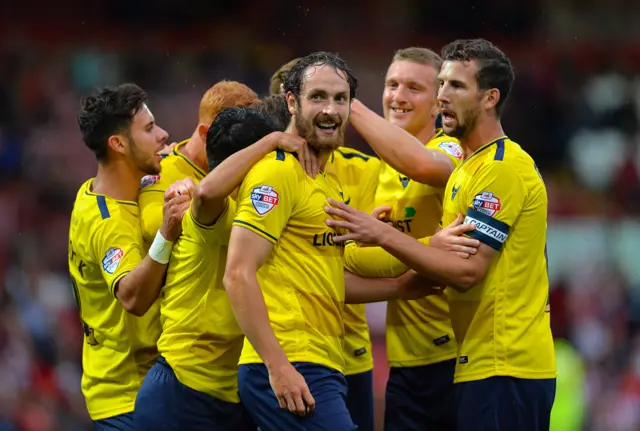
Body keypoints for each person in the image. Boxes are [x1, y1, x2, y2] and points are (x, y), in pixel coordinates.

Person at [326, 39, 557, 431]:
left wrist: (383, 235)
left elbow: (464, 270)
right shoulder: (465, 170)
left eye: (454, 87)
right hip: (463, 362)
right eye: (443, 85)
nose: (443, 96)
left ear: (489, 98)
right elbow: (439, 261)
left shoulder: (483, 164)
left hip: (498, 361)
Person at [134, 107, 316, 430]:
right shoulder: (210, 213)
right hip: (182, 392)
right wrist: (271, 141)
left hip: (227, 396)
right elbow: (205, 194)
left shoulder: (260, 222)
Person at [347, 47, 464, 431]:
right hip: (404, 366)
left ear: (437, 105)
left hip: (457, 360)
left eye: (414, 88)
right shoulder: (377, 171)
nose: (397, 96)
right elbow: (351, 259)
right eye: (392, 84)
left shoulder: (449, 148)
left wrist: (348, 103)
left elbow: (425, 166)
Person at [267, 57, 381, 431]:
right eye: (316, 97)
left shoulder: (352, 173)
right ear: (290, 104)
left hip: (343, 351)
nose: (328, 110)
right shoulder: (272, 171)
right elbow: (238, 270)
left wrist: (407, 274)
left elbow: (332, 268)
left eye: (338, 98)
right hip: (291, 352)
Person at [68, 83, 189, 429]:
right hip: (128, 397)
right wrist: (166, 232)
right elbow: (132, 297)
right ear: (118, 144)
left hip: (137, 390)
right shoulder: (109, 224)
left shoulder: (95, 190)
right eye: (150, 129)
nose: (164, 135)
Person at [138, 80, 260, 246]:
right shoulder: (163, 169)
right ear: (205, 133)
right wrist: (203, 205)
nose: (240, 149)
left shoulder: (248, 164)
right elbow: (151, 227)